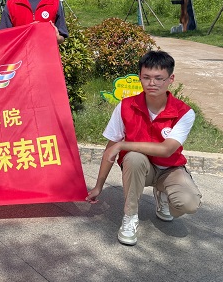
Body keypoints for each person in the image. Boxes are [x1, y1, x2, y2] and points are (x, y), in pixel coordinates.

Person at [85, 50, 202, 246]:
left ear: (171, 79)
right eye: (146, 77)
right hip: (140, 168)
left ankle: (163, 195)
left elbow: (166, 150)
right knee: (133, 157)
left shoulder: (184, 112)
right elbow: (110, 149)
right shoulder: (125, 106)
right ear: (139, 76)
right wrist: (98, 186)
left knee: (189, 204)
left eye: (159, 78)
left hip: (170, 169)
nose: (152, 83)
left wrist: (123, 144)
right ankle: (130, 216)